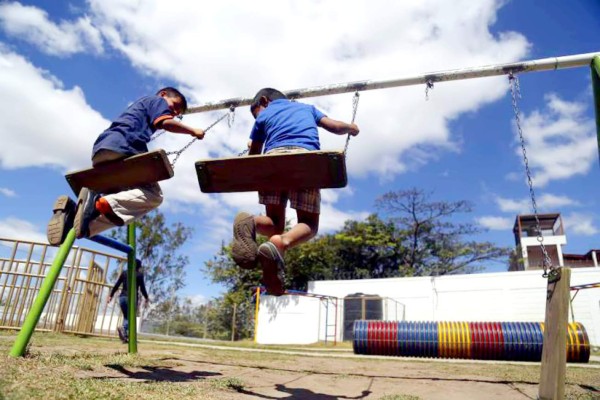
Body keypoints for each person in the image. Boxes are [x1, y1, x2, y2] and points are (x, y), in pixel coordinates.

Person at [232, 88, 359, 295]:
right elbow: (335, 126)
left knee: (275, 223)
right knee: (309, 223)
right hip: (304, 163)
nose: (258, 116)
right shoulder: (307, 109)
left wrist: (252, 145)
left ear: (264, 101)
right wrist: (351, 128)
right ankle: (281, 243)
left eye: (256, 112)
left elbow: (254, 155)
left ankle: (251, 222)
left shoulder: (264, 117)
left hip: (271, 163)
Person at [46, 87, 205, 246]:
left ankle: (75, 218)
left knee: (121, 205)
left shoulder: (138, 109)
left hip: (101, 150)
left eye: (178, 113)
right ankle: (94, 203)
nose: (175, 112)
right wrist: (193, 131)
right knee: (154, 195)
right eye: (175, 105)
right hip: (124, 147)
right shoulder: (156, 100)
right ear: (163, 94)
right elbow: (165, 122)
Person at [107, 259, 150, 343]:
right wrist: (146, 297)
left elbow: (117, 285)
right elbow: (142, 288)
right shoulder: (139, 275)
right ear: (139, 266)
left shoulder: (124, 273)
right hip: (132, 298)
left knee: (126, 316)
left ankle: (125, 337)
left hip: (122, 298)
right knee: (130, 317)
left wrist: (110, 295)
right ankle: (123, 328)